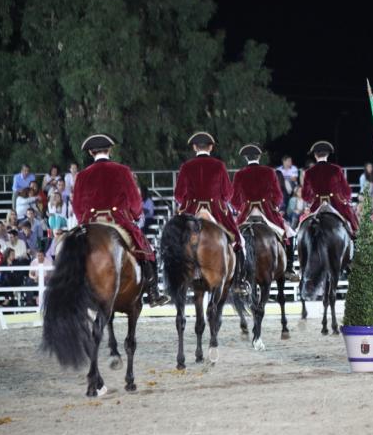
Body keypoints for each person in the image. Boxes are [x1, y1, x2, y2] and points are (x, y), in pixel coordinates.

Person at [74, 134, 168, 306]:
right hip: (118, 220)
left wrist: (83, 221)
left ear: (90, 152)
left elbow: (77, 206)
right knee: (146, 249)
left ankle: (73, 295)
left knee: (72, 252)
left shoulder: (81, 175)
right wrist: (136, 214)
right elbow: (134, 199)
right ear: (109, 150)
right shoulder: (123, 170)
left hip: (92, 222)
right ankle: (153, 293)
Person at [175, 131, 245, 291]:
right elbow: (228, 193)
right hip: (216, 211)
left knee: (174, 242)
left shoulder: (186, 166)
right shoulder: (219, 165)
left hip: (191, 210)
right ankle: (239, 281)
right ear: (211, 147)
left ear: (194, 147)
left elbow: (178, 195)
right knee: (238, 241)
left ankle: (175, 281)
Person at [231, 144, 299, 281]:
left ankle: (234, 273)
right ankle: (289, 269)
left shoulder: (239, 174)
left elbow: (233, 199)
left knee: (232, 238)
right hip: (267, 212)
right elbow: (278, 196)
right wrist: (274, 206)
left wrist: (241, 207)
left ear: (246, 158)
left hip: (246, 213)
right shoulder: (269, 172)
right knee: (290, 233)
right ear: (259, 157)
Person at [301, 140, 359, 235]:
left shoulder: (308, 172)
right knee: (351, 221)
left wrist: (311, 199)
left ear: (315, 155)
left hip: (317, 204)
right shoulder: (336, 169)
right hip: (335, 203)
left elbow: (305, 195)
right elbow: (346, 190)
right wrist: (345, 199)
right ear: (327, 155)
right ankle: (355, 239)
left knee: (304, 225)